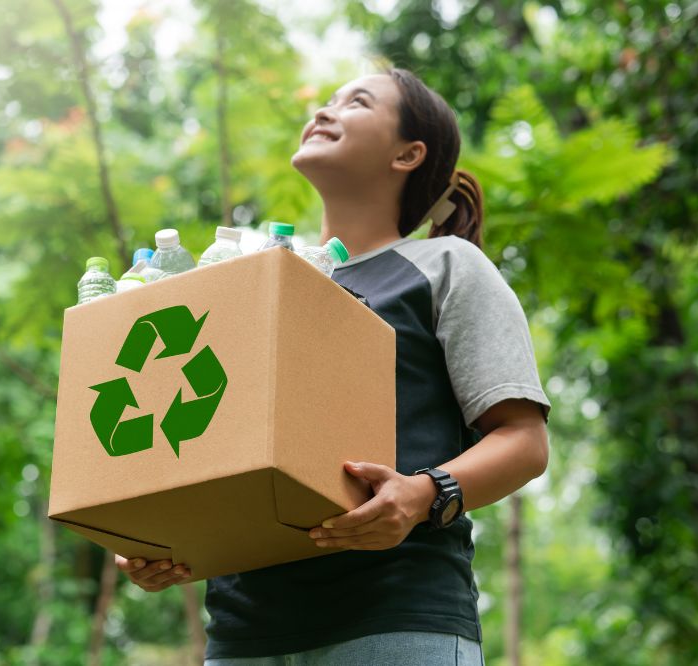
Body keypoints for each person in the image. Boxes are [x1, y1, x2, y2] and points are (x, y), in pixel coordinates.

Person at [115, 68, 551, 665]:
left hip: (395, 622)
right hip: (243, 637)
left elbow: (524, 441)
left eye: (357, 102)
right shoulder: (252, 284)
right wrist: (159, 536)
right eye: (326, 101)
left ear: (408, 153)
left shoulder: (444, 266)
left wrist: (424, 495)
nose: (324, 110)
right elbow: (207, 444)